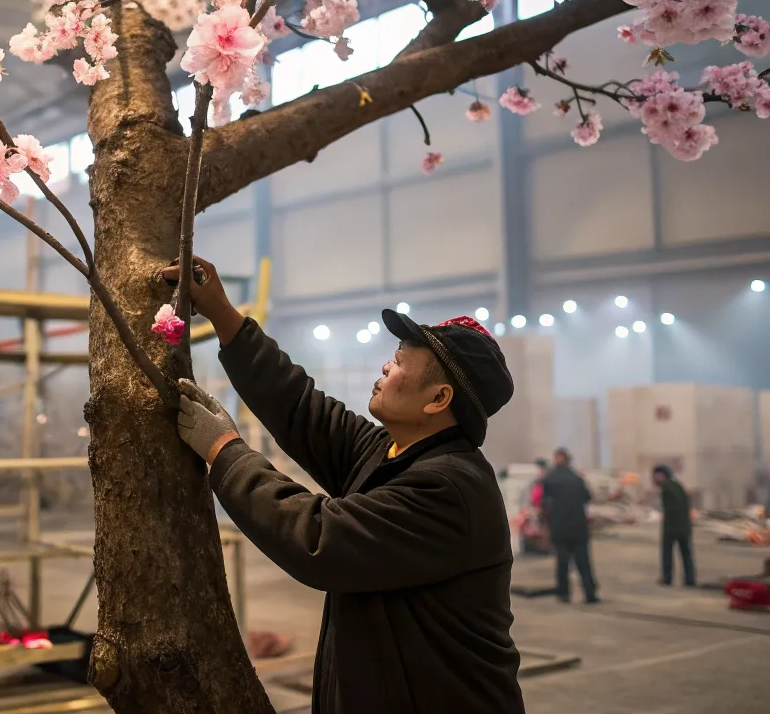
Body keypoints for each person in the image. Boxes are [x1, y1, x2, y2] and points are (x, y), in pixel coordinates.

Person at [167, 256, 525, 714]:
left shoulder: (449, 489)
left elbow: (318, 538)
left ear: (438, 399)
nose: (384, 367)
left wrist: (224, 451)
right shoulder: (390, 452)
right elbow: (301, 407)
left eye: (398, 363)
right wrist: (222, 313)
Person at [543, 448, 598, 604]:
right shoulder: (577, 478)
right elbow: (587, 497)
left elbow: (544, 503)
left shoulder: (550, 479)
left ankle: (563, 594)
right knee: (583, 562)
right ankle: (590, 594)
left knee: (562, 563)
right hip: (578, 528)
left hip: (560, 528)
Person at [652, 465, 695, 586]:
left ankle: (667, 578)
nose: (654, 479)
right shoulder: (678, 485)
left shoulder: (666, 487)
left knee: (667, 552)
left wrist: (669, 523)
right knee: (686, 553)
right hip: (685, 525)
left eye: (655, 476)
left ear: (662, 475)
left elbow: (671, 508)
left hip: (672, 526)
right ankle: (690, 580)